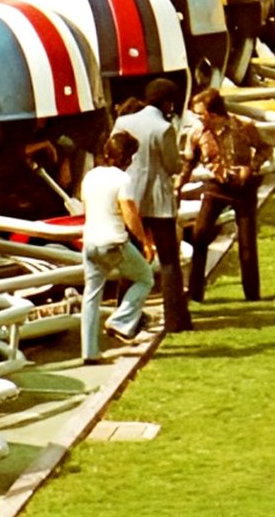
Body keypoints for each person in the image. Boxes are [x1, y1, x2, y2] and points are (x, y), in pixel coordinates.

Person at [177, 89, 273, 302]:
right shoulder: (198, 133)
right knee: (199, 234)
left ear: (213, 113)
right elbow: (189, 162)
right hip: (216, 187)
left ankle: (252, 294)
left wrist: (252, 167)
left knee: (247, 242)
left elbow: (266, 148)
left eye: (201, 114)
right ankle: (195, 292)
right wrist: (179, 185)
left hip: (243, 188)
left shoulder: (243, 127)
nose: (198, 118)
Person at [113, 78, 193, 333]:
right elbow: (173, 166)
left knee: (130, 260)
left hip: (129, 199)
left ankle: (126, 317)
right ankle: (176, 321)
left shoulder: (123, 122)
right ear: (167, 102)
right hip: (158, 201)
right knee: (169, 261)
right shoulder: (164, 128)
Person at [79, 132, 156, 364]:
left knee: (91, 296)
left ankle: (89, 351)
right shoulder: (122, 180)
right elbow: (130, 214)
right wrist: (145, 241)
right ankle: (120, 321)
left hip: (90, 242)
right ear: (127, 158)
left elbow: (87, 205)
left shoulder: (90, 176)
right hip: (113, 242)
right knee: (145, 278)